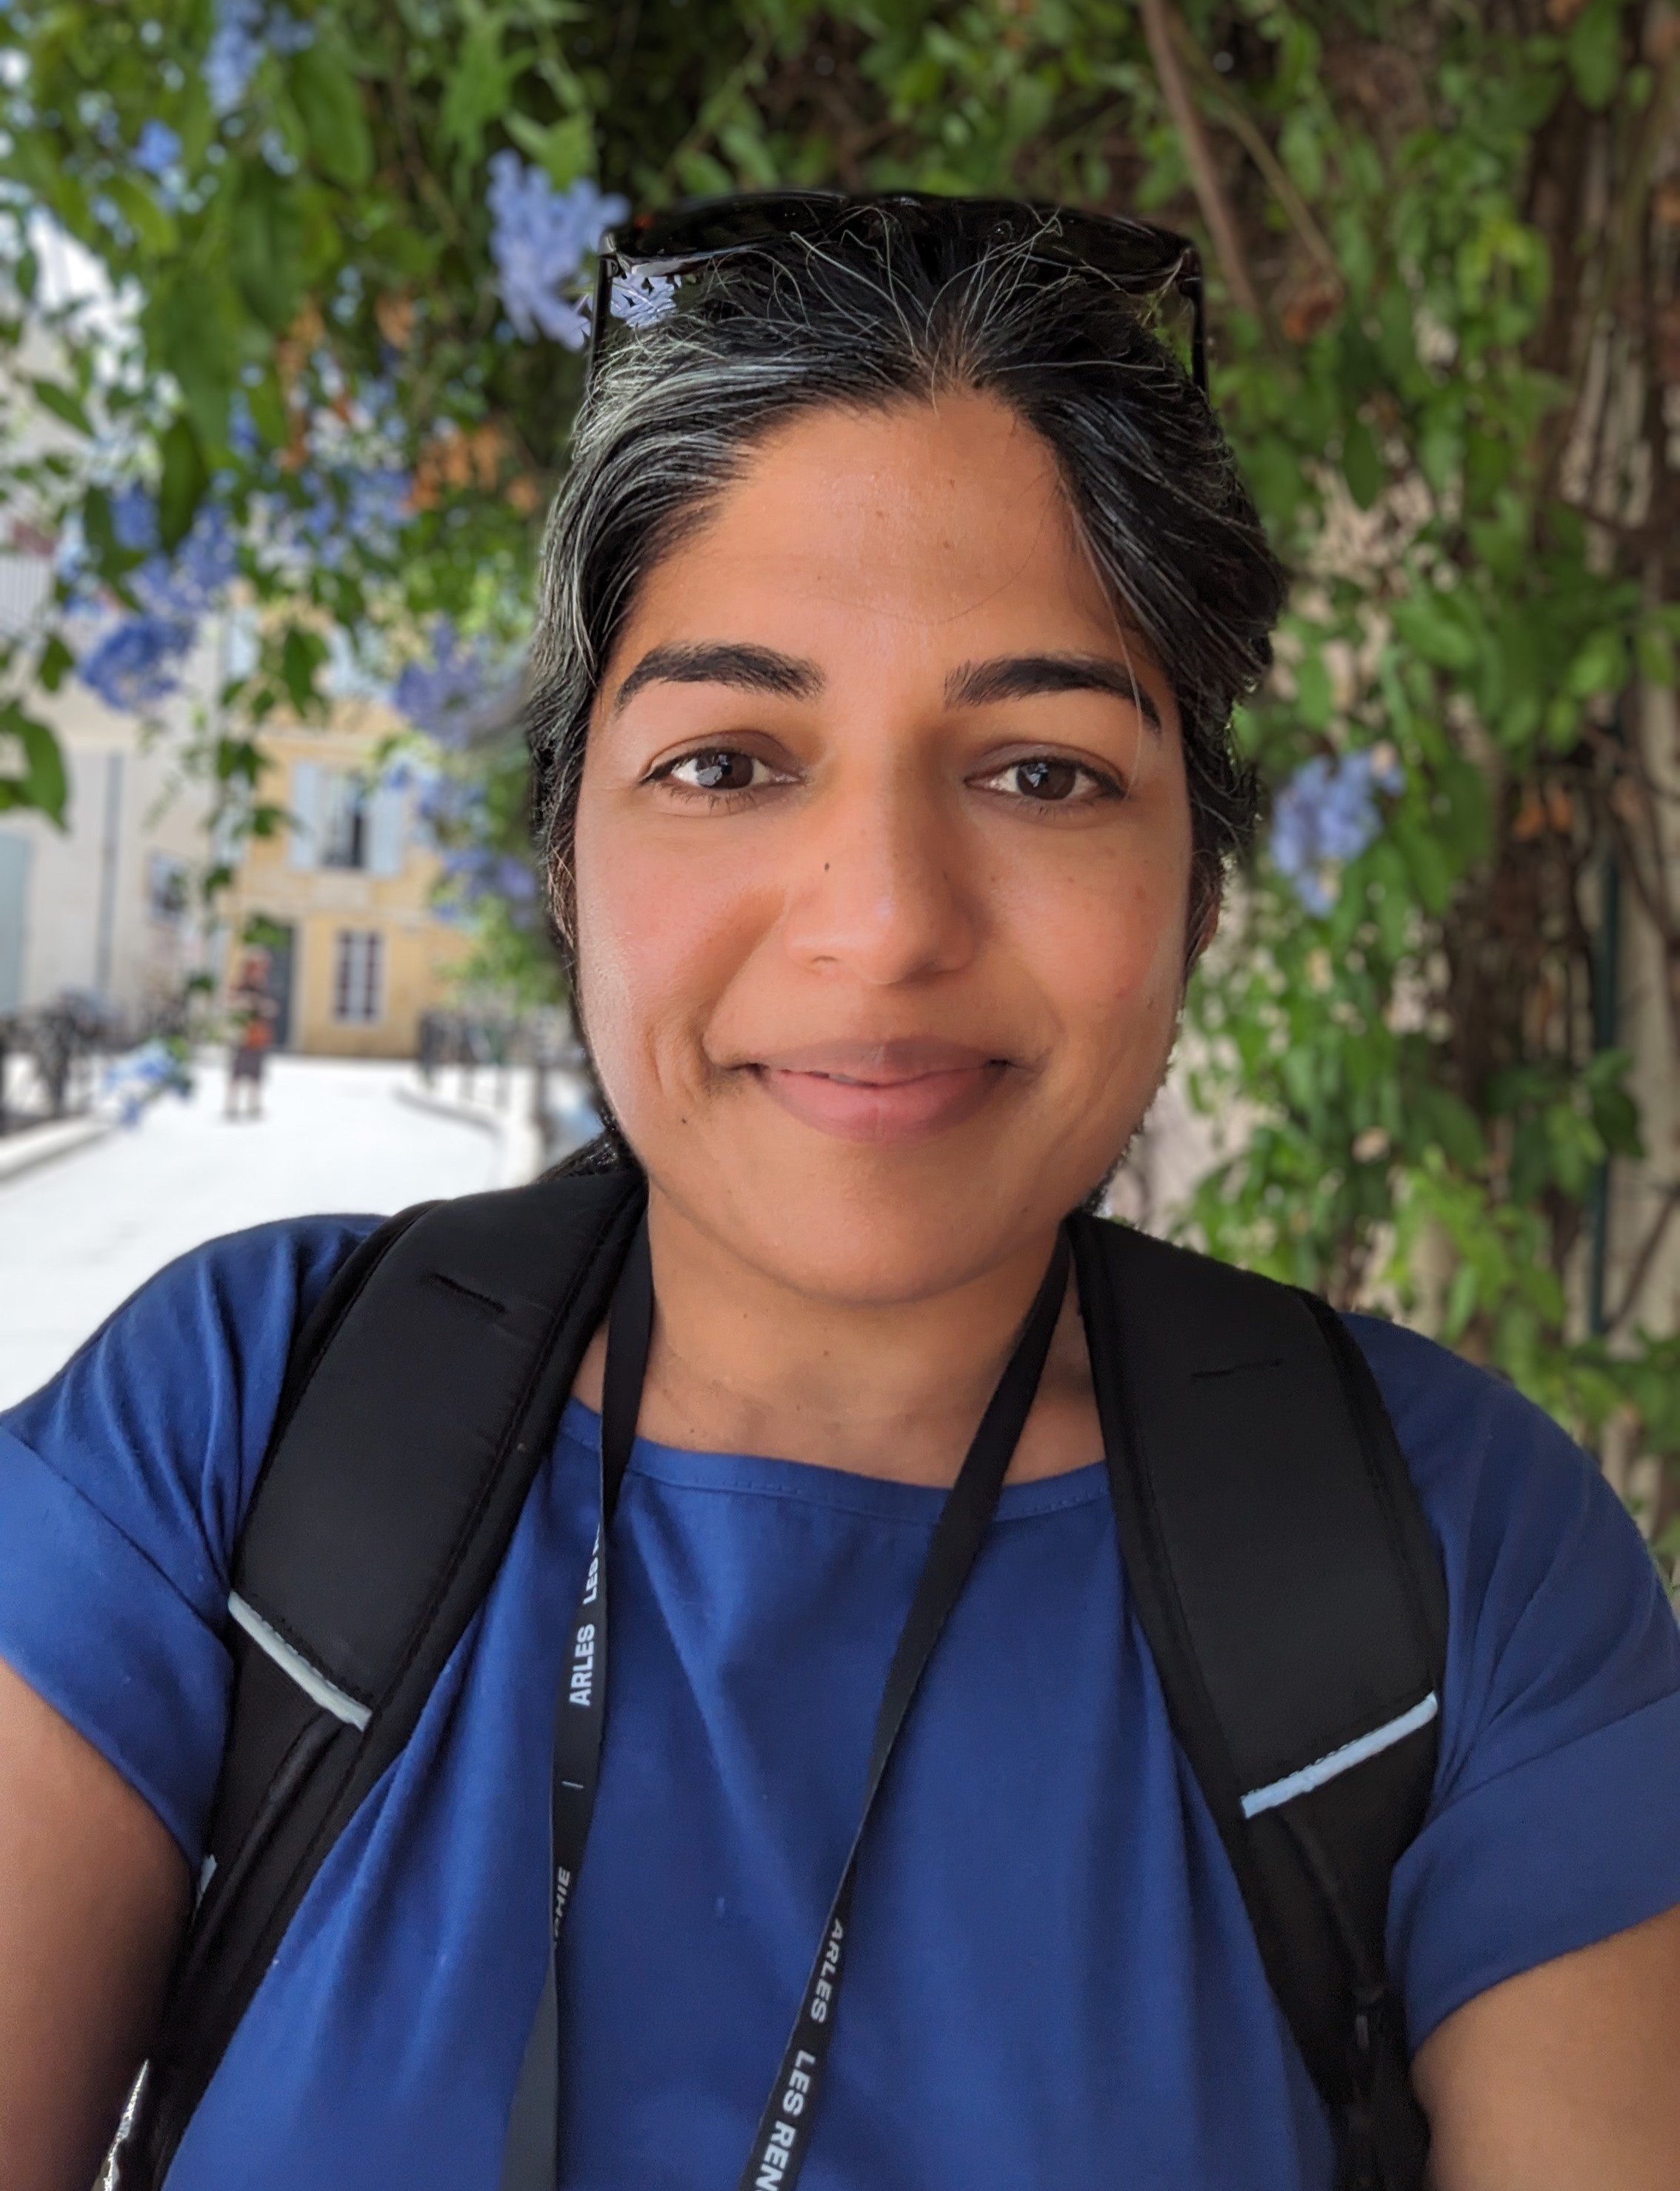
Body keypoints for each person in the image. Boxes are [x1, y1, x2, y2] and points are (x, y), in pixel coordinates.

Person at [1, 196, 1678, 2191]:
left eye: (1039, 769)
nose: (881, 925)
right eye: (728, 760)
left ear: (1198, 876)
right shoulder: (228, 1432)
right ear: (562, 853)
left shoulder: (1462, 1564)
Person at [223, 950, 277, 1121]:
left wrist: (264, 1007)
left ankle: (254, 1105)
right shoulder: (241, 986)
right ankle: (232, 1105)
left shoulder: (263, 988)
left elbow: (271, 1008)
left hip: (258, 1036)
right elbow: (230, 1003)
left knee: (256, 1073)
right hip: (242, 1035)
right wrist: (244, 1004)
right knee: (237, 1071)